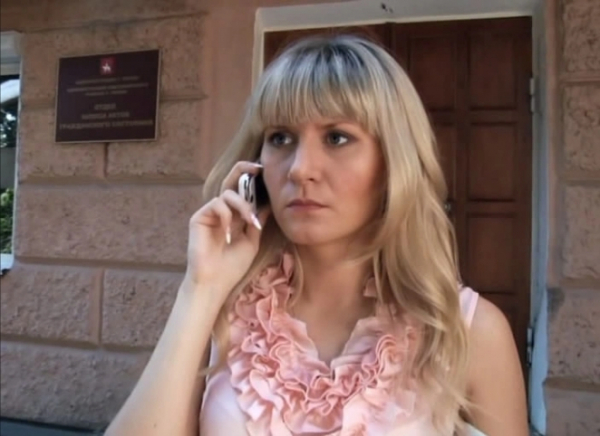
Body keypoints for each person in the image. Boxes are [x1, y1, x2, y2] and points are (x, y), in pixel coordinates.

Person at [104, 35, 528, 436]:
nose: (300, 168)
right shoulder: (221, 314)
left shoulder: (468, 331)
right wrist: (201, 288)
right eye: (281, 138)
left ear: (393, 164)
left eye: (337, 137)